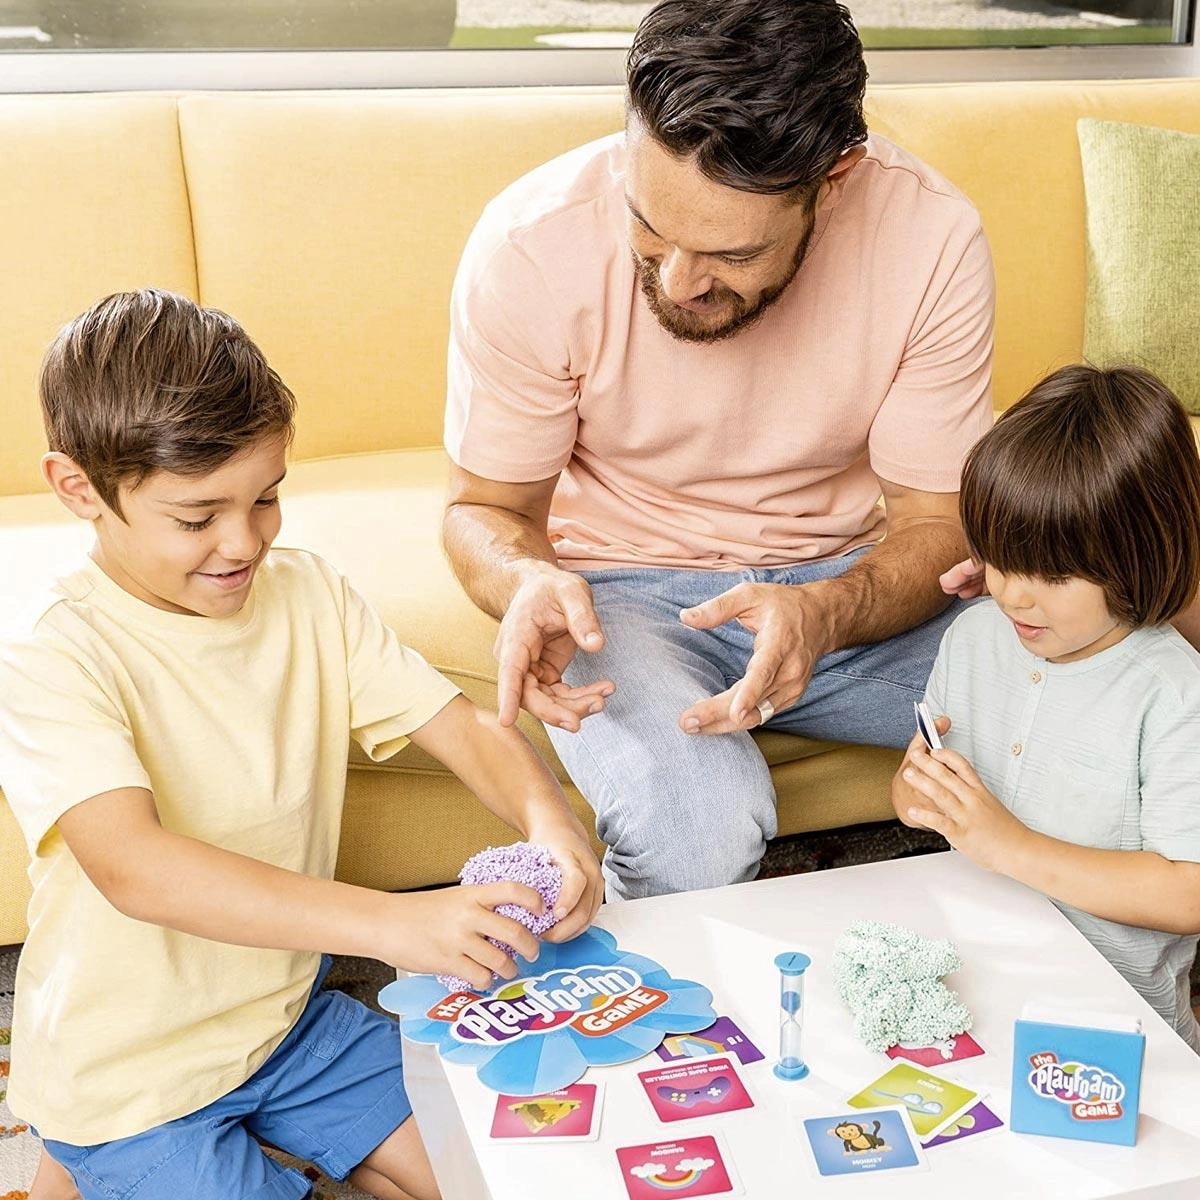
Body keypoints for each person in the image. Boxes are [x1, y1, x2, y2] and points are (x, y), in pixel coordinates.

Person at [4, 290, 603, 1200]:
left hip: (284, 1028)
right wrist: (394, 922)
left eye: (267, 497)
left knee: (512, 1167)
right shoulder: (52, 653)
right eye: (196, 518)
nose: (243, 542)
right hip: (130, 1083)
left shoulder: (309, 595)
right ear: (79, 488)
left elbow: (465, 728)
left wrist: (553, 826)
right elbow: (136, 869)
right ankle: (79, 1160)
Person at [442, 0, 995, 900]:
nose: (677, 280)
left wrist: (825, 610)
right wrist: (526, 581)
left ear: (835, 179)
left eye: (731, 253)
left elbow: (937, 523)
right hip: (622, 597)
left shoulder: (932, 237)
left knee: (1115, 709)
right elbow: (485, 510)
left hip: (849, 585)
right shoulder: (529, 246)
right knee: (692, 835)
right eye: (649, 226)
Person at [894, 364, 1200, 1051]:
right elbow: (924, 787)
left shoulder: (1175, 694)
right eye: (1000, 559)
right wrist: (917, 793)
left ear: (1140, 556)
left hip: (1117, 1034)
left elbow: (1190, 893)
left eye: (1054, 575)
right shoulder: (974, 636)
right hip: (976, 992)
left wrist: (1011, 846)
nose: (1013, 595)